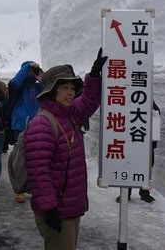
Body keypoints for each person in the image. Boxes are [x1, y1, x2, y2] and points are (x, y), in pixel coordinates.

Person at [24, 49, 107, 250]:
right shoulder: (42, 124)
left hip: (68, 207)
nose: (70, 92)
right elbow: (38, 170)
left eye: (72, 87)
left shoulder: (68, 115)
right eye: (64, 87)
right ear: (52, 90)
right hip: (57, 209)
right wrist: (49, 208)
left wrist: (94, 75)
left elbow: (88, 102)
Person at [7, 61, 44, 203]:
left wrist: (42, 77)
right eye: (28, 70)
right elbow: (14, 83)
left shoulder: (38, 86)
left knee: (37, 158)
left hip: (37, 126)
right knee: (20, 159)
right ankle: (19, 189)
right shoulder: (19, 87)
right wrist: (28, 66)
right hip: (20, 125)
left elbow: (50, 93)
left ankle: (33, 187)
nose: (31, 73)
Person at [116, 100, 161, 203]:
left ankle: (145, 193)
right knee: (129, 166)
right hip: (131, 139)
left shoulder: (149, 100)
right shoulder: (128, 100)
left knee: (147, 166)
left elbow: (156, 113)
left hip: (145, 140)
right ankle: (126, 193)